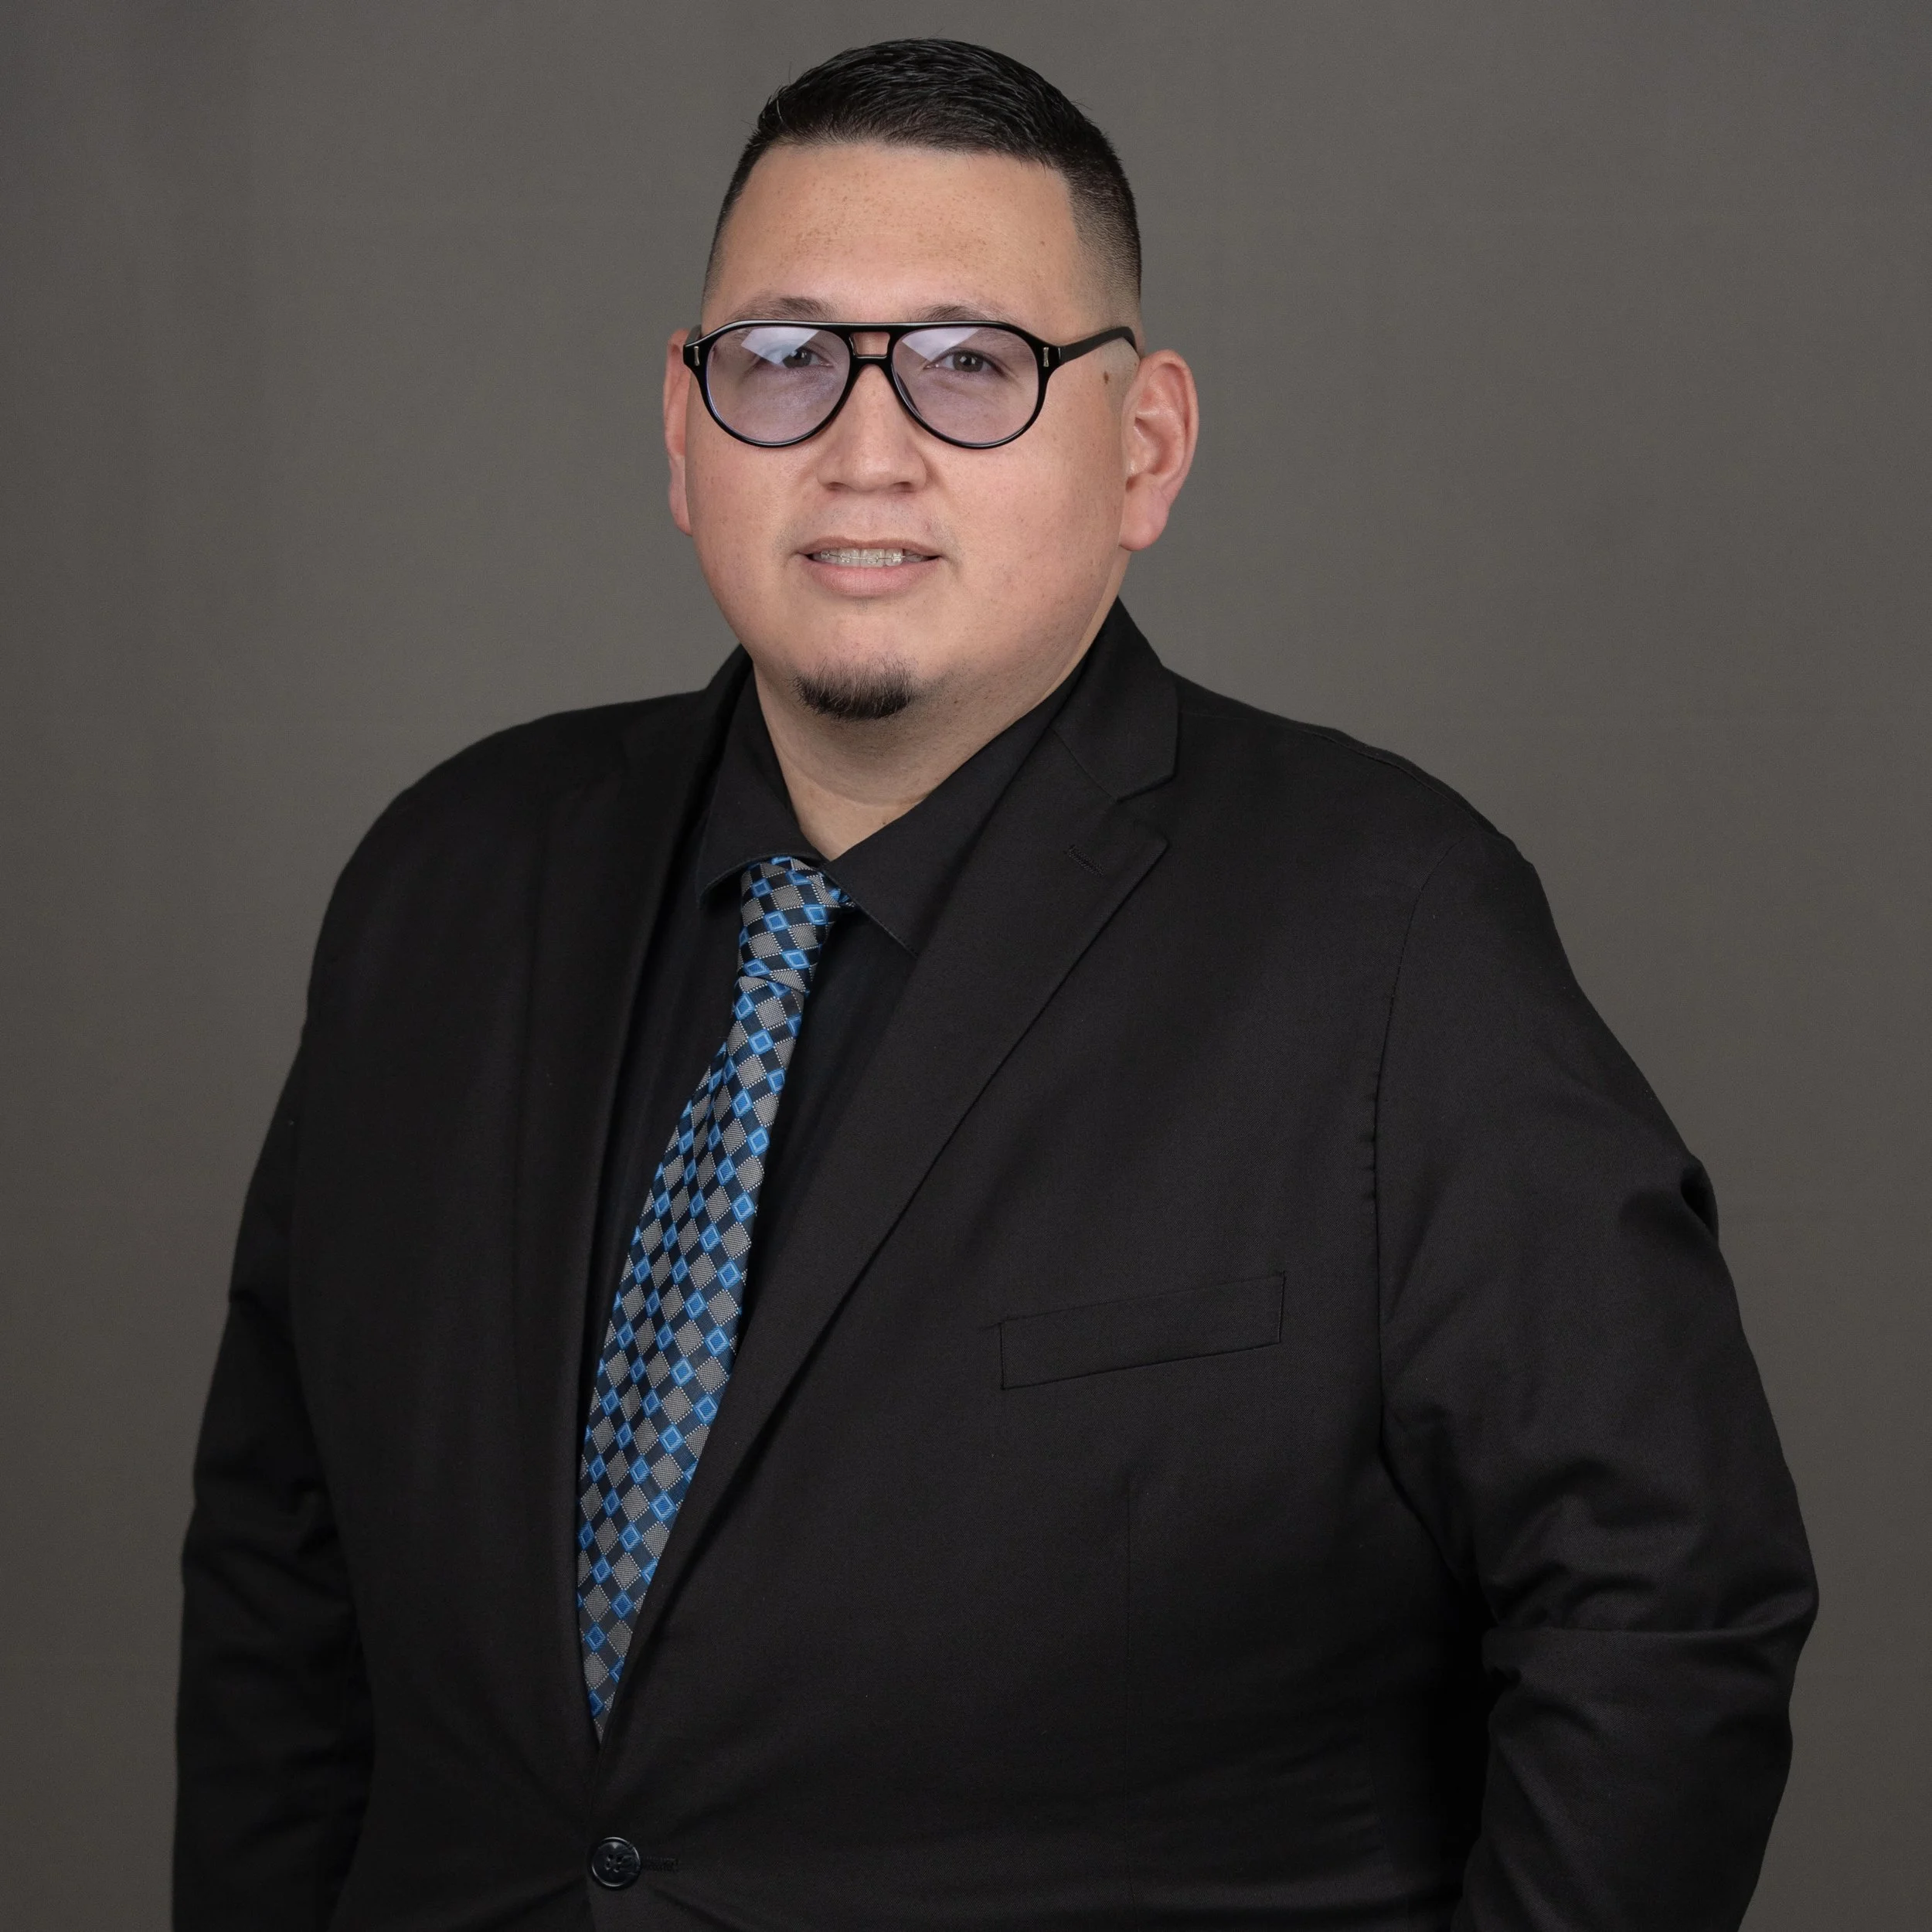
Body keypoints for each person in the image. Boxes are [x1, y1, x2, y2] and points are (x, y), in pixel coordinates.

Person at [174, 37, 1815, 1932]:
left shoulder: (1388, 928)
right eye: (782, 358)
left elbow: (1665, 1596)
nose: (865, 447)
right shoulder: (443, 883)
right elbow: (281, 1577)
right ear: (682, 429)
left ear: (1144, 450)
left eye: (971, 364)